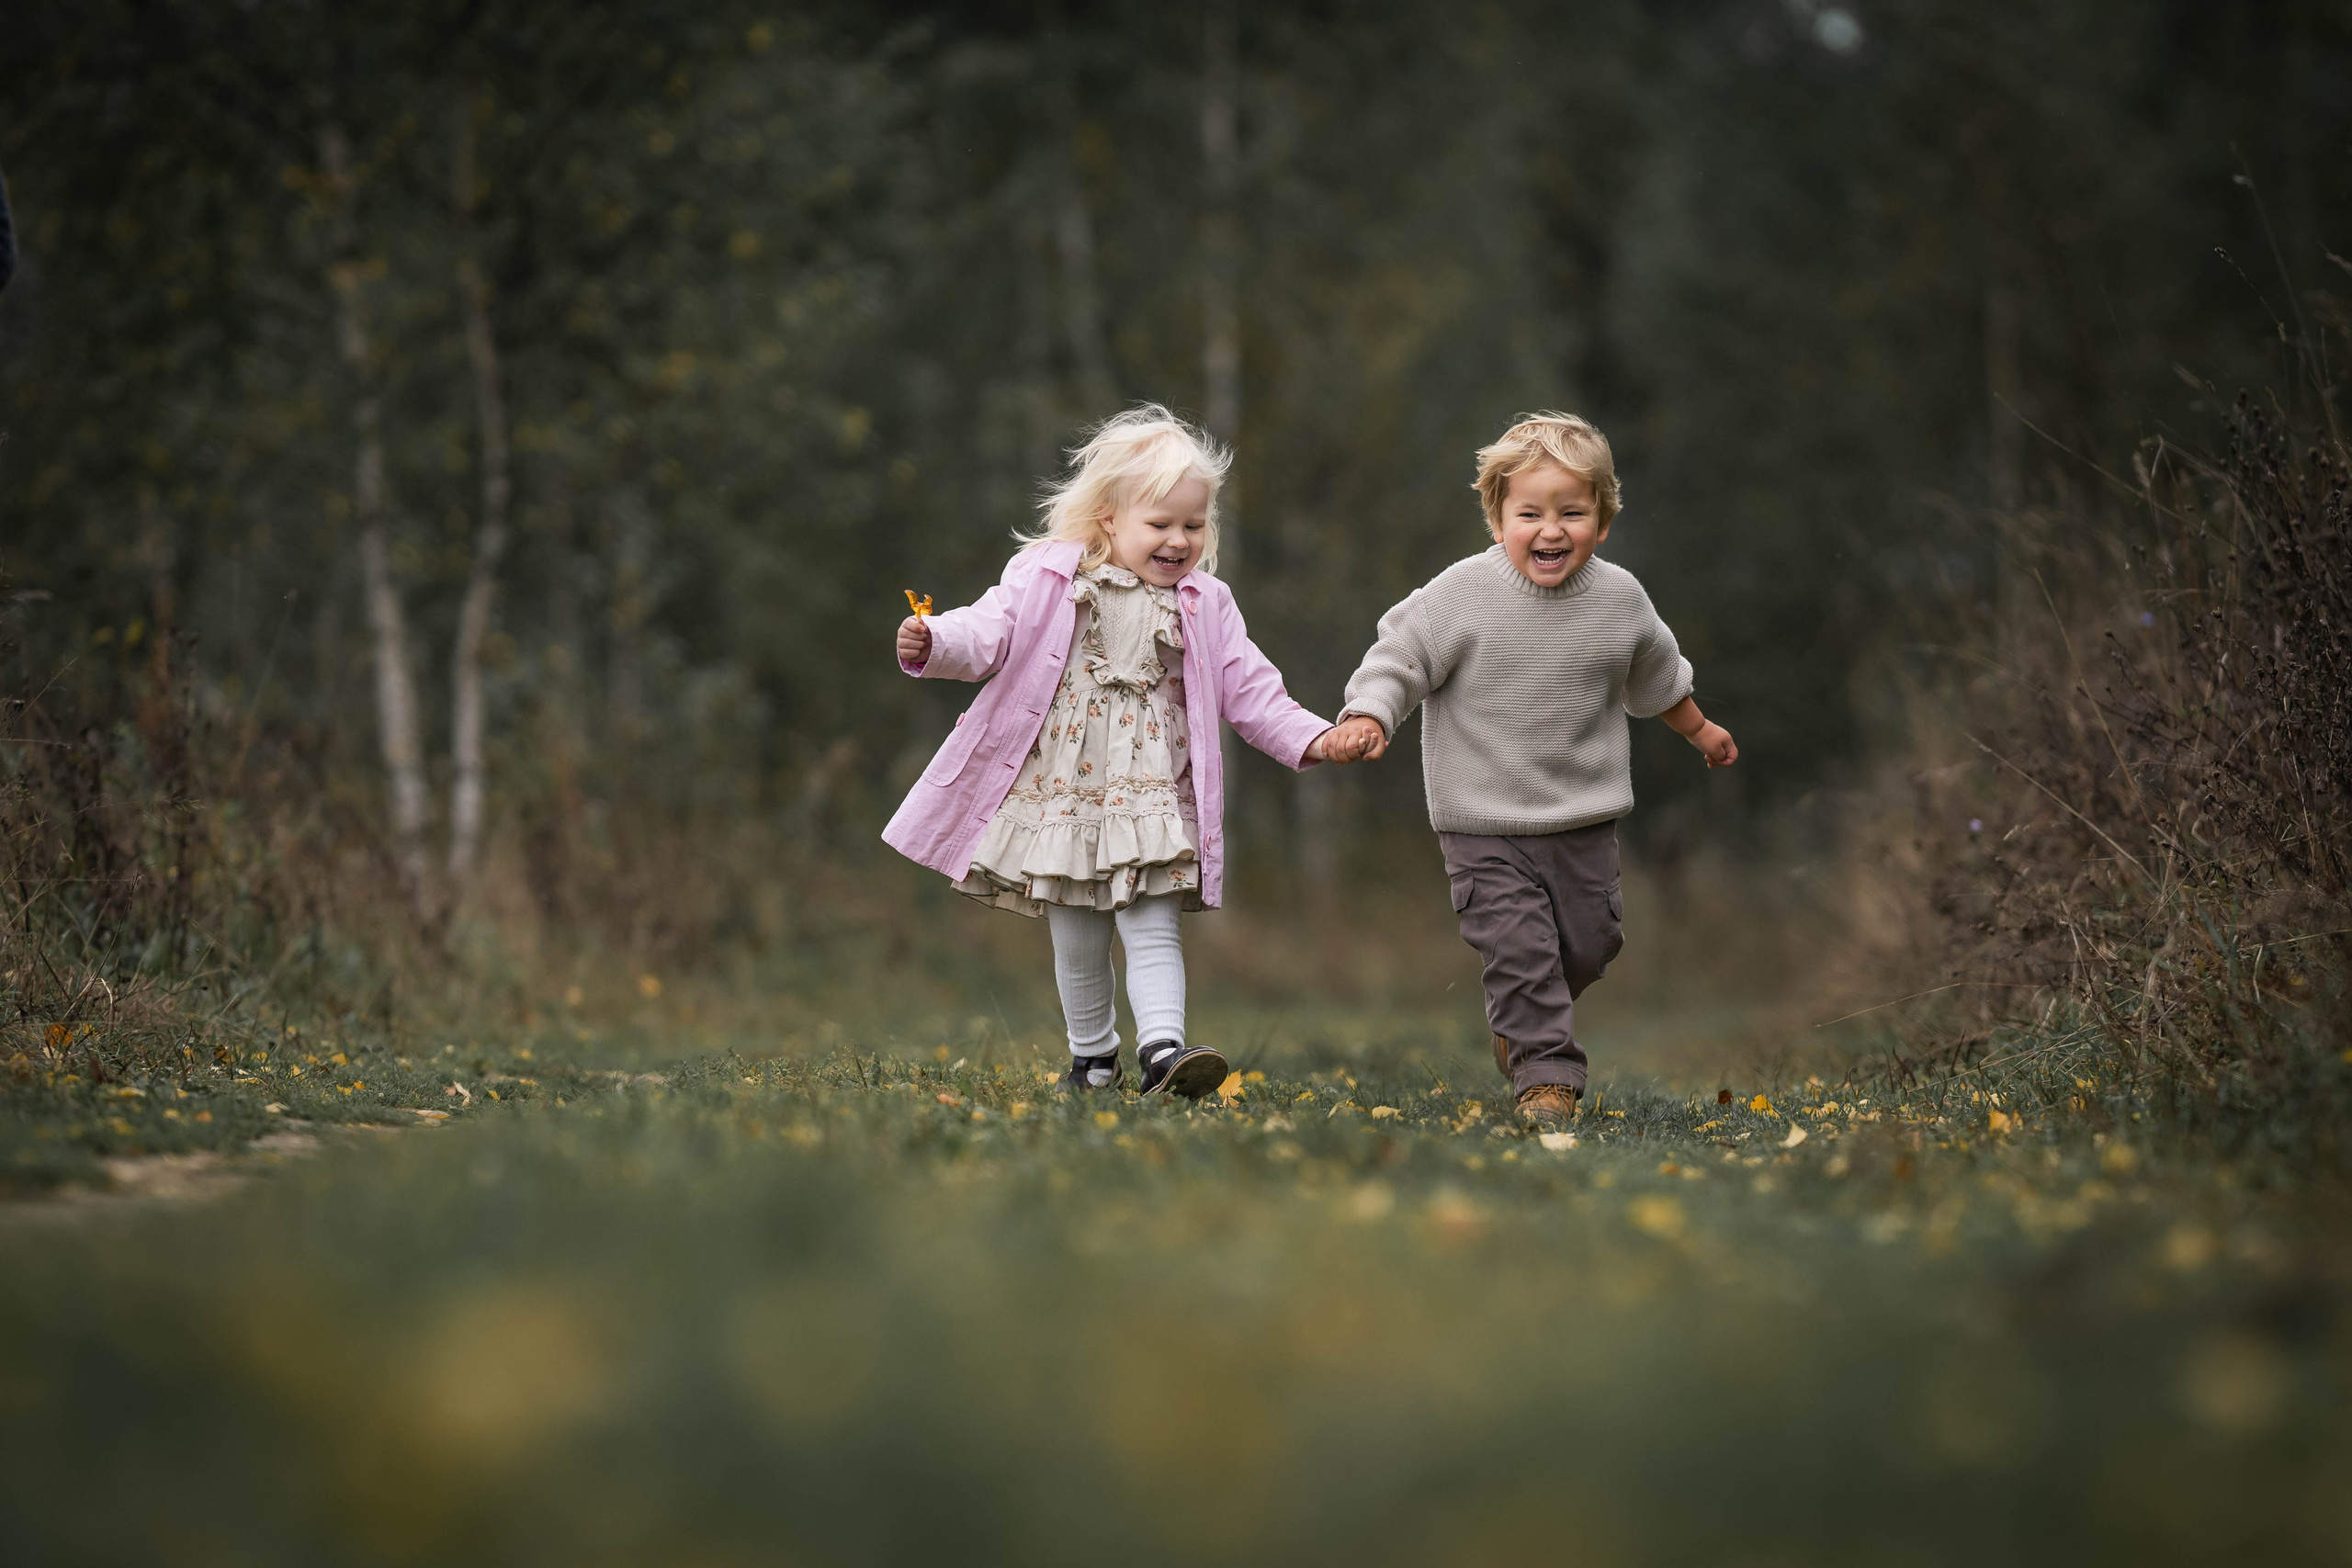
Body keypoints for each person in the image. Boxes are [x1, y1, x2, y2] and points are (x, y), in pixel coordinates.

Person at [884, 405, 1356, 1099]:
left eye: (1193, 526)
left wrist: (1316, 735)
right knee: (1077, 934)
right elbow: (987, 631)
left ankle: (1163, 1050)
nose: (1179, 541)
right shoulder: (1047, 575)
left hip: (1149, 793)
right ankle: (1092, 1056)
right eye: (1160, 524)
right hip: (1064, 792)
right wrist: (935, 640)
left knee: (1152, 918)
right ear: (1109, 518)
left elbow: (1250, 688)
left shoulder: (1206, 603)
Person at [1324, 412, 1736, 1132]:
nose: (1551, 530)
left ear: (1602, 521)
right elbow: (1402, 657)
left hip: (1583, 818)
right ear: (1496, 518)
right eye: (1530, 514)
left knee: (1591, 941)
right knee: (1521, 947)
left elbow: (1660, 674)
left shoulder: (1621, 600)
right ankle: (1547, 1079)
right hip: (1481, 822)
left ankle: (1521, 1021)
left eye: (1572, 512)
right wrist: (1370, 713)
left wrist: (1699, 728)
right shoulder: (1462, 594)